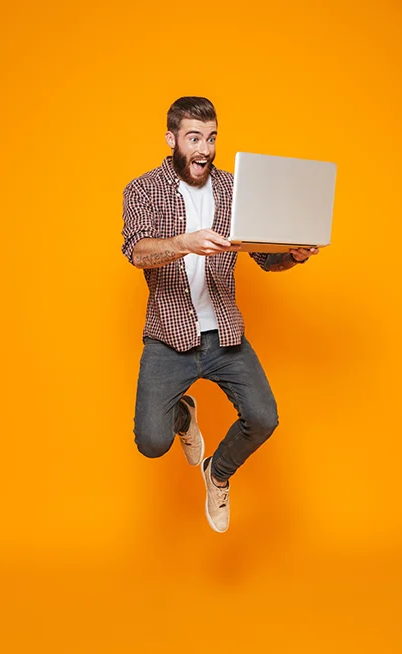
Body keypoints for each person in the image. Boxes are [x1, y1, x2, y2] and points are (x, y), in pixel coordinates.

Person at [122, 96, 318, 533]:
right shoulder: (142, 190)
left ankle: (217, 472)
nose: (204, 149)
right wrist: (184, 242)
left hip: (225, 335)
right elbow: (136, 251)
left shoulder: (234, 189)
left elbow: (267, 261)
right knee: (152, 443)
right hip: (168, 337)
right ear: (172, 139)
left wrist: (293, 254)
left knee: (264, 417)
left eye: (211, 138)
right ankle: (181, 415)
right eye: (194, 138)